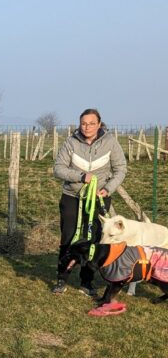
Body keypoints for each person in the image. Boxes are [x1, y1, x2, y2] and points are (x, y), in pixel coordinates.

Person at [52, 108, 126, 295]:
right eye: (84, 123)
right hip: (72, 196)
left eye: (92, 123)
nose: (87, 127)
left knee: (93, 240)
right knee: (68, 237)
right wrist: (80, 176)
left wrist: (107, 189)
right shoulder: (71, 142)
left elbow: (120, 169)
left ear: (99, 124)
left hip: (99, 198)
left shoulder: (110, 142)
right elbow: (58, 169)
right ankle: (62, 279)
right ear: (80, 124)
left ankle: (87, 282)